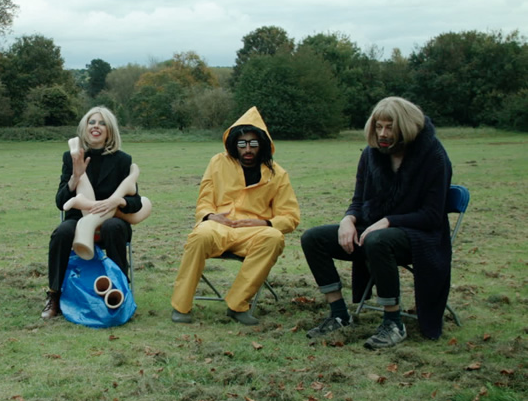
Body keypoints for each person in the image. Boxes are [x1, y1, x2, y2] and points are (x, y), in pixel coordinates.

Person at [302, 96, 452, 348]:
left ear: (406, 126)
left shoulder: (434, 156)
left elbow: (432, 215)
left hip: (420, 235)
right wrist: (348, 220)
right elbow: (359, 199)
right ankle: (339, 314)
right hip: (374, 231)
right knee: (312, 238)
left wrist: (388, 221)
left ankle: (393, 323)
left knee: (378, 239)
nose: (382, 133)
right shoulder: (372, 155)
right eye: (378, 126)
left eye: (390, 127)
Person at [171, 107, 300, 326]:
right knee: (200, 235)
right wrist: (209, 216)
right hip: (218, 226)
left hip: (253, 231)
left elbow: (290, 216)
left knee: (274, 237)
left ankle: (238, 305)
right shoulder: (217, 163)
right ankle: (181, 306)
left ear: (262, 144)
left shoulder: (278, 174)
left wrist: (266, 222)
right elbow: (204, 199)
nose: (247, 149)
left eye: (253, 143)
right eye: (242, 144)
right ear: (234, 144)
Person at [43, 106, 148, 319]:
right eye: (92, 122)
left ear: (109, 130)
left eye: (102, 123)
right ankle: (54, 295)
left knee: (113, 228)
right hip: (79, 219)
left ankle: (121, 292)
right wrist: (75, 177)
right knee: (62, 233)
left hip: (113, 219)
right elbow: (60, 202)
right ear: (85, 127)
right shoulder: (71, 157)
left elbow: (136, 202)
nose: (96, 127)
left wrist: (119, 200)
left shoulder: (122, 160)